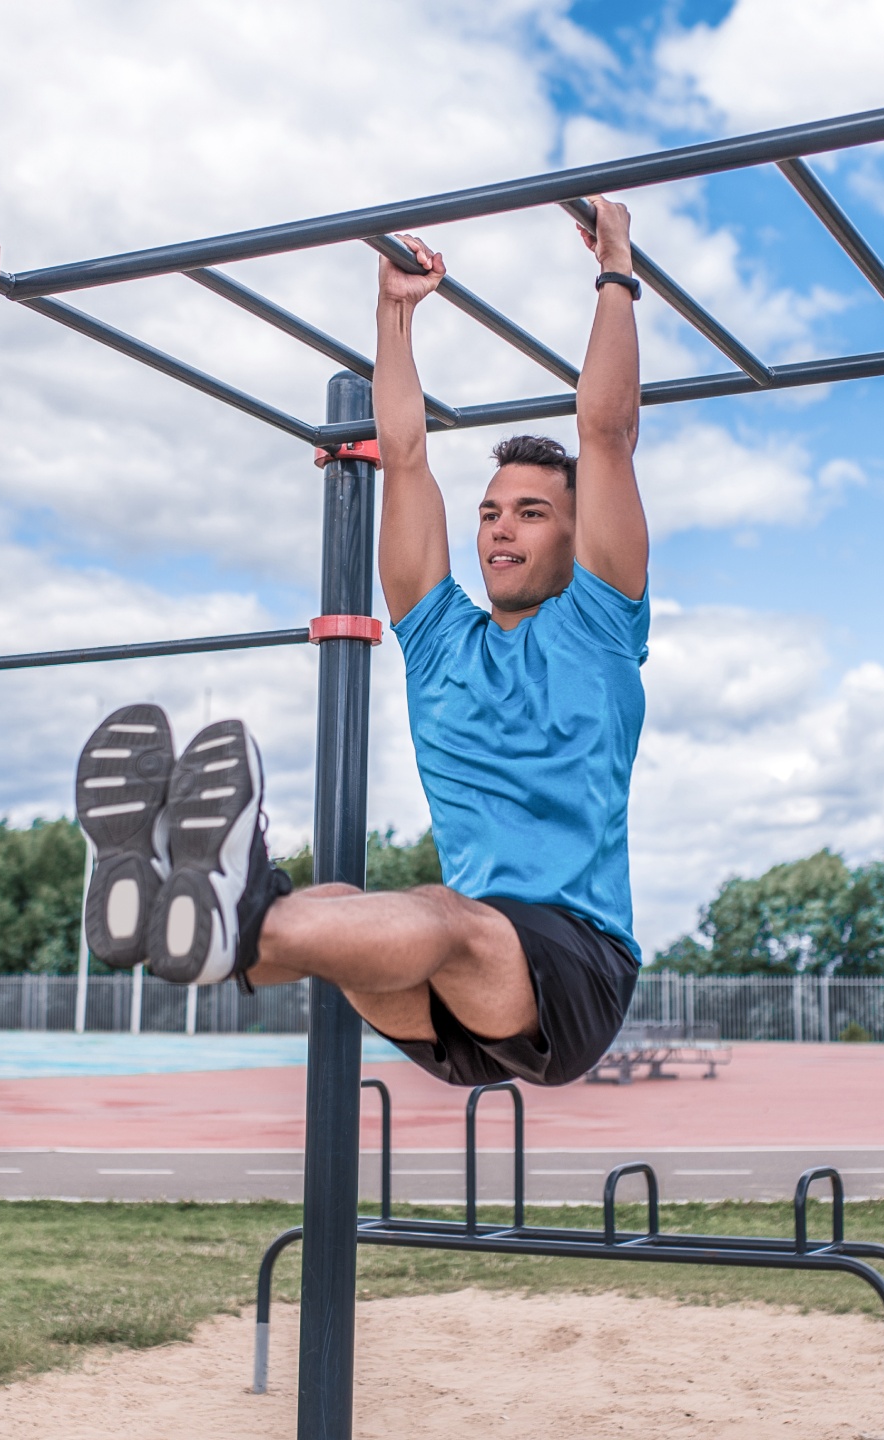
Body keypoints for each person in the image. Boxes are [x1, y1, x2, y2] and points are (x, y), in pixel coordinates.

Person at [75, 195, 649, 1088]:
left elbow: (604, 432)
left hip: (574, 971)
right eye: (491, 512)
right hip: (452, 995)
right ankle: (186, 916)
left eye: (531, 513)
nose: (500, 530)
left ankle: (234, 907)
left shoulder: (601, 623)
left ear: (580, 534)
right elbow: (406, 455)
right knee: (348, 910)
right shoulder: (438, 638)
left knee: (435, 912)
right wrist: (394, 313)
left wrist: (615, 267)